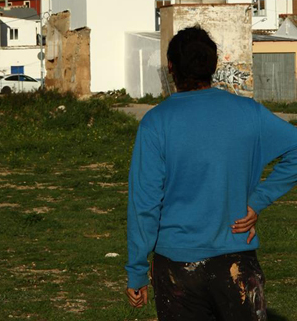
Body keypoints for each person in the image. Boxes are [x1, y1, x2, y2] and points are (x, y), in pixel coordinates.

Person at [126, 25, 297, 320]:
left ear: (170, 68)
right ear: (215, 65)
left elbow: (144, 205)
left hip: (176, 268)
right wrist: (258, 201)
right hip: (236, 263)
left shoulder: (155, 123)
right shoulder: (249, 113)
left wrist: (137, 270)